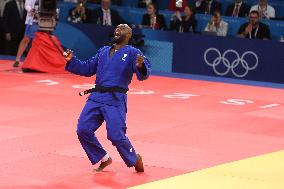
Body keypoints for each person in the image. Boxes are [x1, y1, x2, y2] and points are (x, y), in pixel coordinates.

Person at [63, 24, 151, 172]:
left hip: (115, 99)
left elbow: (144, 74)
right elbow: (87, 68)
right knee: (83, 129)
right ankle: (103, 157)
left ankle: (135, 158)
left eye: (123, 28)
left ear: (129, 35)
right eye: (117, 28)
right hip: (96, 96)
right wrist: (72, 61)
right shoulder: (103, 51)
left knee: (115, 136)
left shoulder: (133, 53)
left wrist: (141, 66)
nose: (118, 29)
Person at [13, 0, 39, 67]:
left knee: (38, 42)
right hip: (32, 20)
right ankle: (17, 60)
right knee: (26, 39)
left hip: (43, 21)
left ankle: (35, 61)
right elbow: (27, 5)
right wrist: (32, 10)